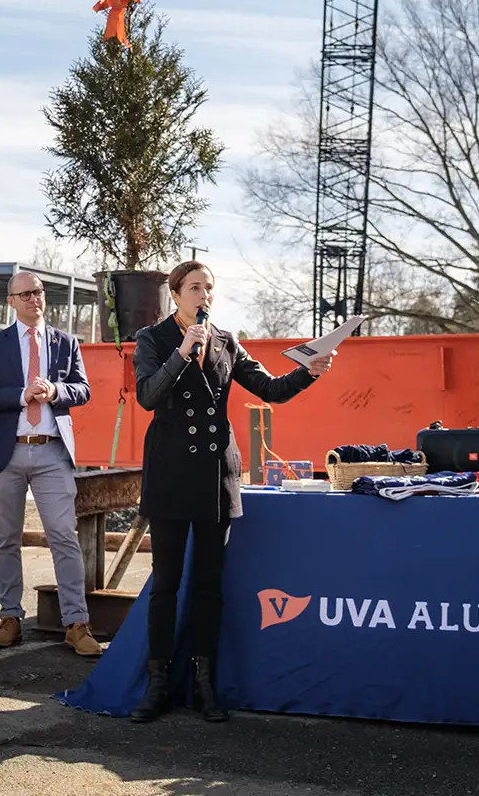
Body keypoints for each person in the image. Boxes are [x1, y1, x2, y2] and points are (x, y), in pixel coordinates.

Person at [129, 261, 335, 722]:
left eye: (209, 288)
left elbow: (270, 389)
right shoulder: (153, 339)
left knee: (209, 585)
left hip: (214, 475)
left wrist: (309, 371)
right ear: (175, 294)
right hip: (171, 473)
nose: (204, 295)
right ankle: (158, 683)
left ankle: (204, 683)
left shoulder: (226, 341)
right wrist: (181, 353)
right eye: (195, 287)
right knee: (165, 584)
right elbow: (147, 396)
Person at [0, 272, 102, 657]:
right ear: (11, 301)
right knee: (6, 538)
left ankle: (76, 623)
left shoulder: (66, 342)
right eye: (25, 294)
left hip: (52, 453)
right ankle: (10, 617)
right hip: (6, 452)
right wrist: (21, 394)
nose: (34, 299)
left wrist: (56, 391)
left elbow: (83, 389)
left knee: (63, 535)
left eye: (39, 292)